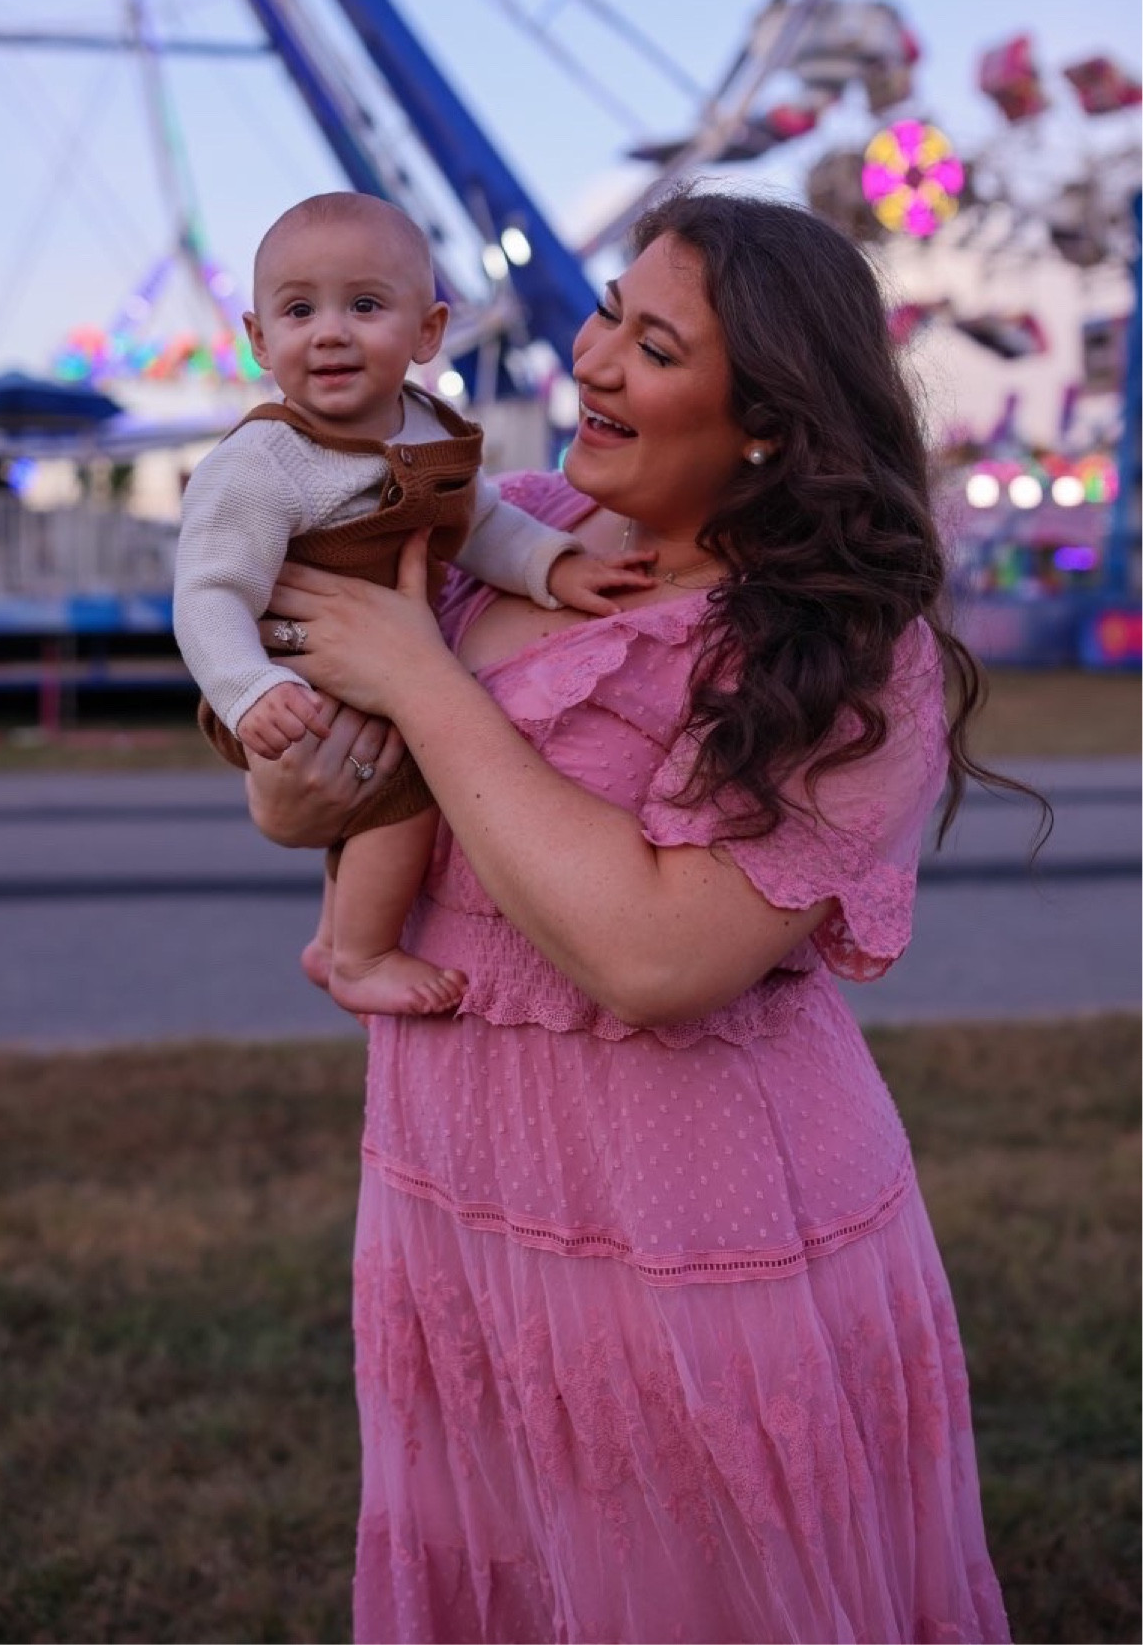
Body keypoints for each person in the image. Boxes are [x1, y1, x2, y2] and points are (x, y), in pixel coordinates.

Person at [244, 190, 1035, 1645]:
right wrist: (304, 774)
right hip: (455, 1181)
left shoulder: (845, 651)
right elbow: (303, 809)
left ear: (767, 426)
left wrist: (420, 680)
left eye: (652, 343)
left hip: (688, 1221)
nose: (592, 357)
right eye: (609, 308)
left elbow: (656, 957)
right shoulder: (513, 528)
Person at [174, 191, 652, 1019]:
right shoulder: (259, 464)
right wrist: (248, 690)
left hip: (378, 667)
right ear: (257, 339)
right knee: (407, 792)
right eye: (298, 310)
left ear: (427, 332)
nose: (329, 331)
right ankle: (358, 954)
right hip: (284, 681)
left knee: (395, 781)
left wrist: (550, 565)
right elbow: (210, 591)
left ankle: (335, 934)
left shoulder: (431, 429)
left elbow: (479, 522)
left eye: (364, 305)